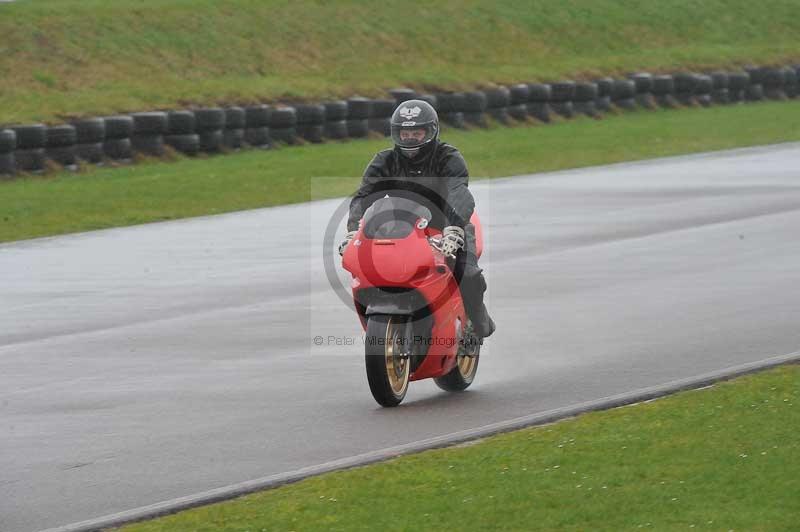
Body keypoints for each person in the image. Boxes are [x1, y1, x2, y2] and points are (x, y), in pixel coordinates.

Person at [339, 99, 495, 339]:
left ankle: (478, 320)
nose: (410, 138)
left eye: (416, 132)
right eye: (405, 132)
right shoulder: (384, 160)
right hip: (402, 228)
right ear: (396, 133)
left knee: (468, 273)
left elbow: (459, 193)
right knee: (377, 267)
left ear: (431, 131)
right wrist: (352, 230)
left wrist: (454, 229)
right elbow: (363, 196)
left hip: (448, 226)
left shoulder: (448, 157)